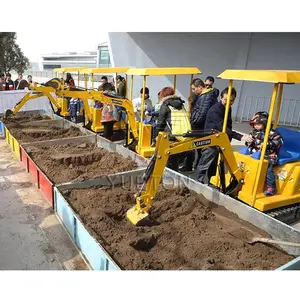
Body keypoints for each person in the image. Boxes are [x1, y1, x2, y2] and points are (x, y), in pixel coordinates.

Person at [197, 87, 253, 184]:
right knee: (205, 163)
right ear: (221, 98)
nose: (228, 102)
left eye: (231, 100)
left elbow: (228, 125)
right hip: (211, 140)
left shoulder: (227, 108)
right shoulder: (215, 110)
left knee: (214, 165)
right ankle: (198, 183)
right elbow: (223, 128)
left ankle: (212, 182)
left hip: (220, 140)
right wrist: (240, 137)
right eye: (226, 100)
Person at [180, 78, 217, 173]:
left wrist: (193, 122)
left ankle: (197, 169)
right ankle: (195, 167)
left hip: (201, 128)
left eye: (193, 89)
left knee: (198, 148)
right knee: (198, 149)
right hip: (200, 126)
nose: (193, 91)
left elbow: (201, 114)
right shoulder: (203, 96)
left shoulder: (206, 97)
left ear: (200, 87)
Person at [246, 111, 283, 196]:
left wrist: (267, 143)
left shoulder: (272, 133)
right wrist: (249, 142)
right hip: (256, 153)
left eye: (258, 124)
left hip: (269, 155)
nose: (256, 126)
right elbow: (250, 141)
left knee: (268, 167)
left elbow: (279, 141)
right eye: (254, 124)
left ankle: (271, 187)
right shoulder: (254, 132)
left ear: (265, 123)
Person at [154, 87, 188, 171]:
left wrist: (155, 137)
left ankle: (168, 177)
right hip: (183, 134)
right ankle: (175, 173)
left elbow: (160, 123)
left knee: (167, 158)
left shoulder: (165, 105)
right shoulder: (181, 104)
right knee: (175, 158)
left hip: (170, 135)